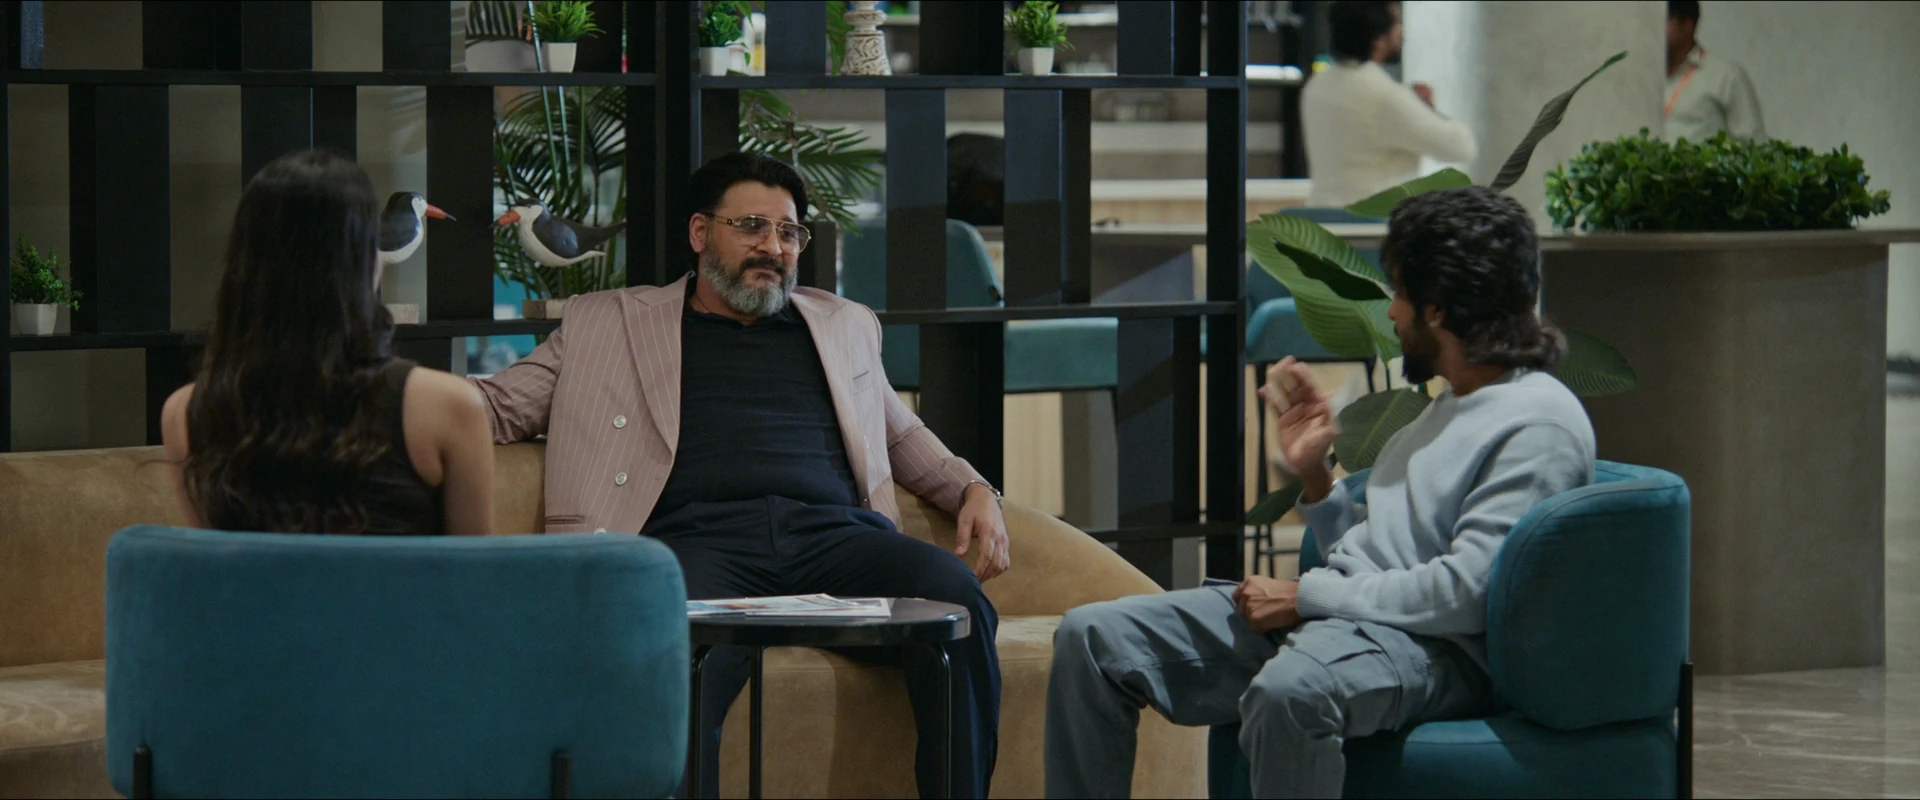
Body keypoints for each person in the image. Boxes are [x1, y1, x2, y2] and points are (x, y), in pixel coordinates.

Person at [470, 151, 1008, 799]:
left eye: (789, 232)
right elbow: (497, 407)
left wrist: (975, 488)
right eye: (752, 226)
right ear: (700, 233)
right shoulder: (607, 323)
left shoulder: (842, 325)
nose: (773, 247)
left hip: (836, 540)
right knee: (669, 653)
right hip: (697, 544)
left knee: (956, 602)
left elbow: (899, 434)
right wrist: (399, 401)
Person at [1044, 186, 1597, 799]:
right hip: (1354, 621)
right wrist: (1316, 475)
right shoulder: (1449, 407)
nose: (1392, 313)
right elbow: (1381, 552)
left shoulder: (1536, 423)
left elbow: (1466, 595)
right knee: (1090, 639)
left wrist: (1306, 597)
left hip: (1433, 650)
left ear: (1438, 308)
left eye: (1400, 293)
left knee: (1291, 693)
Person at [162, 149, 494, 536]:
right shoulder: (449, 408)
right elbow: (473, 571)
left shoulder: (185, 414)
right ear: (366, 260)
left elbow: (215, 568)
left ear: (242, 265)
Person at [1301, 0, 1476, 209]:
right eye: (1396, 24)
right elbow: (1460, 147)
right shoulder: (1383, 96)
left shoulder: (1317, 86)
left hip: (1323, 219)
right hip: (1375, 221)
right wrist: (1429, 110)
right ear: (1378, 38)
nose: (1401, 31)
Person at [1664, 0, 1765, 143]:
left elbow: (1753, 142)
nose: (1653, 30)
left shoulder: (1725, 76)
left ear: (1687, 25)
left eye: (1663, 20)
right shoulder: (1645, 78)